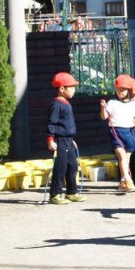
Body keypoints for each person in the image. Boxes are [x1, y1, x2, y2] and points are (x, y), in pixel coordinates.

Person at [100, 74, 135, 193]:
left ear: (129, 90)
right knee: (121, 156)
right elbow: (104, 117)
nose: (119, 91)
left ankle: (123, 182)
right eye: (117, 89)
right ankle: (128, 179)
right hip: (116, 131)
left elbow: (134, 120)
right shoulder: (112, 103)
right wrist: (103, 108)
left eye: (123, 89)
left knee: (126, 158)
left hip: (130, 132)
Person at [46, 72, 86, 205]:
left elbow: (66, 124)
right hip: (59, 141)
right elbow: (51, 123)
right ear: (62, 89)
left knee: (73, 166)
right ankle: (55, 194)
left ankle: (71, 192)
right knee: (60, 167)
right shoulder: (56, 104)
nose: (74, 90)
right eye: (71, 87)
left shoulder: (67, 103)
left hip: (68, 140)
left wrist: (71, 138)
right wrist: (51, 140)